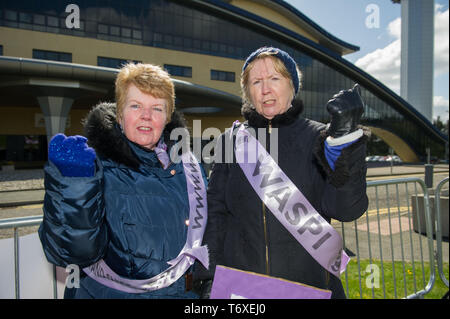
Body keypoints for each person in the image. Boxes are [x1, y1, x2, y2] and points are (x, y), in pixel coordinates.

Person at [194, 47, 369, 299]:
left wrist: (346, 141)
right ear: (248, 94)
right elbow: (216, 214)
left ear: (292, 85)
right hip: (243, 290)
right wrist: (207, 277)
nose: (265, 89)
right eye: (256, 82)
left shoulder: (319, 138)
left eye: (275, 79)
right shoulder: (229, 142)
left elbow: (346, 209)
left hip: (307, 287)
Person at [39, 63, 208, 299]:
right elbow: (71, 252)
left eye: (157, 108)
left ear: (168, 118)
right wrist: (73, 186)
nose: (146, 116)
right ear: (120, 113)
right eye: (136, 105)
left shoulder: (191, 167)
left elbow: (208, 241)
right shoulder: (94, 166)